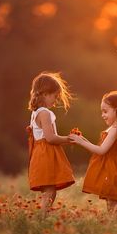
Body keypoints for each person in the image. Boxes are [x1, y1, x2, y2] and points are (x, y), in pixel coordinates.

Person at [69, 91, 117, 212]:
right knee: (110, 200)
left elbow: (101, 150)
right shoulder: (112, 128)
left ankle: (115, 224)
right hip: (109, 167)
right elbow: (101, 147)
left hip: (113, 168)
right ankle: (112, 224)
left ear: (116, 111)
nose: (102, 115)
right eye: (102, 111)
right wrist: (82, 139)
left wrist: (81, 142)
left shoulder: (115, 129)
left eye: (105, 111)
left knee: (113, 201)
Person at [27, 71, 75, 217]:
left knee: (50, 190)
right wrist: (68, 139)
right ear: (45, 94)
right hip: (45, 154)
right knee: (49, 191)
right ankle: (42, 218)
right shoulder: (44, 113)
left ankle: (44, 216)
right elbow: (50, 138)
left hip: (41, 153)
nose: (56, 101)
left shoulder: (36, 112)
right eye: (55, 96)